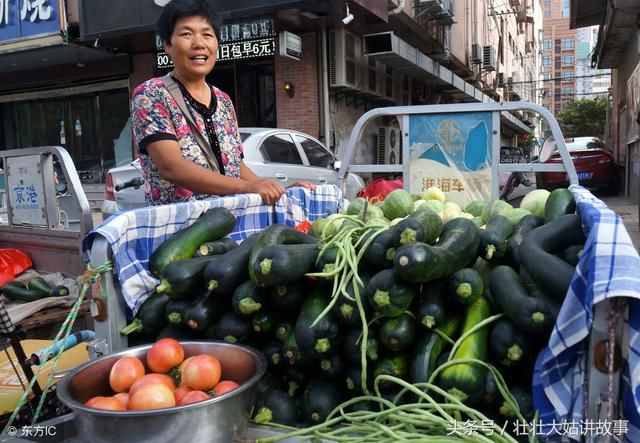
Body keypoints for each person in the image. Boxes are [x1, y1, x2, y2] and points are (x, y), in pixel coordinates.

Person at [131, 0, 314, 206]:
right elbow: (172, 167)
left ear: (217, 44)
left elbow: (236, 166)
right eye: (186, 34)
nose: (199, 43)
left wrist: (277, 190)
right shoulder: (151, 94)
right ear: (167, 45)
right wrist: (248, 188)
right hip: (178, 228)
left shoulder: (224, 101)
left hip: (227, 224)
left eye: (207, 35)